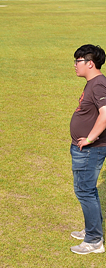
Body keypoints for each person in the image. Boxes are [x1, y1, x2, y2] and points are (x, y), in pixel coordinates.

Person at [69, 44, 106, 254]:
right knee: (86, 190)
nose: (75, 65)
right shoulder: (93, 83)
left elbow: (105, 114)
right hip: (85, 148)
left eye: (78, 61)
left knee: (85, 191)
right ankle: (92, 230)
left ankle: (94, 240)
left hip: (91, 149)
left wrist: (90, 138)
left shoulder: (99, 84)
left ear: (90, 63)